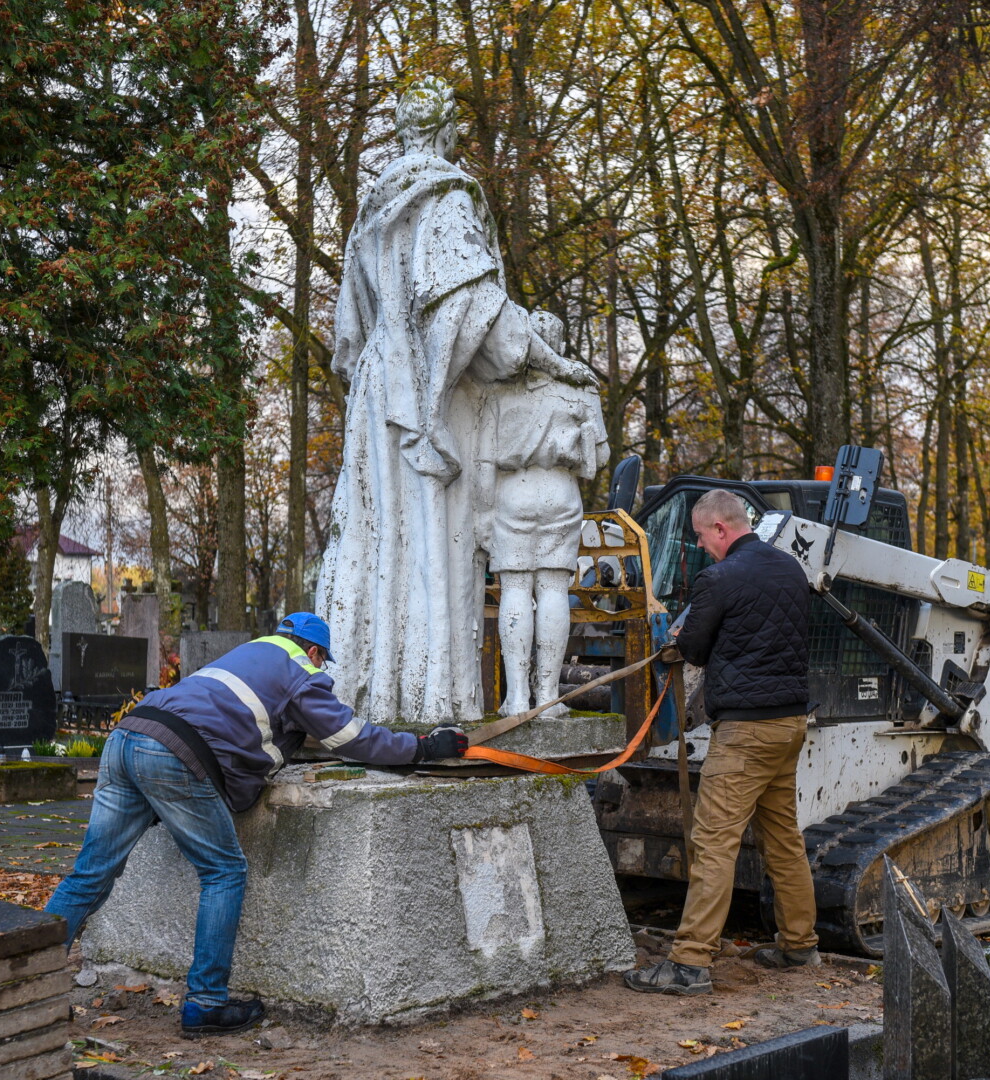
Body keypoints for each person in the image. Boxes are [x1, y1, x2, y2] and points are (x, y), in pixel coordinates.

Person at [317, 76, 594, 731]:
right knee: (429, 542)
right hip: (429, 389)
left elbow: (348, 340)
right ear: (447, 135)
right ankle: (428, 702)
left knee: (378, 540)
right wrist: (555, 361)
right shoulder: (443, 197)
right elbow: (477, 313)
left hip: (382, 390)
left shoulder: (371, 216)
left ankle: (369, 693)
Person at [43, 612, 469, 1036]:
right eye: (323, 662)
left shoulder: (246, 655)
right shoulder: (303, 670)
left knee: (90, 873)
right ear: (315, 651)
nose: (322, 671)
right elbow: (349, 737)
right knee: (224, 871)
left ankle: (33, 985)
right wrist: (423, 747)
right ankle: (206, 1003)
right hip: (173, 754)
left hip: (128, 736)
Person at [623, 489, 818, 995]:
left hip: (746, 732)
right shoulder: (791, 570)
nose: (700, 545)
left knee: (713, 842)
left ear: (721, 529)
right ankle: (800, 944)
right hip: (790, 724)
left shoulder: (720, 578)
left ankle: (689, 962)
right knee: (783, 839)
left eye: (700, 535)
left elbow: (692, 647)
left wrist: (675, 645)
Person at [486, 310, 608, 717]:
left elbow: (480, 455)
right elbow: (602, 455)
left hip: (511, 492)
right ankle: (550, 698)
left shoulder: (498, 390)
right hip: (560, 491)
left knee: (516, 590)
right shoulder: (580, 387)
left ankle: (517, 699)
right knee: (554, 590)